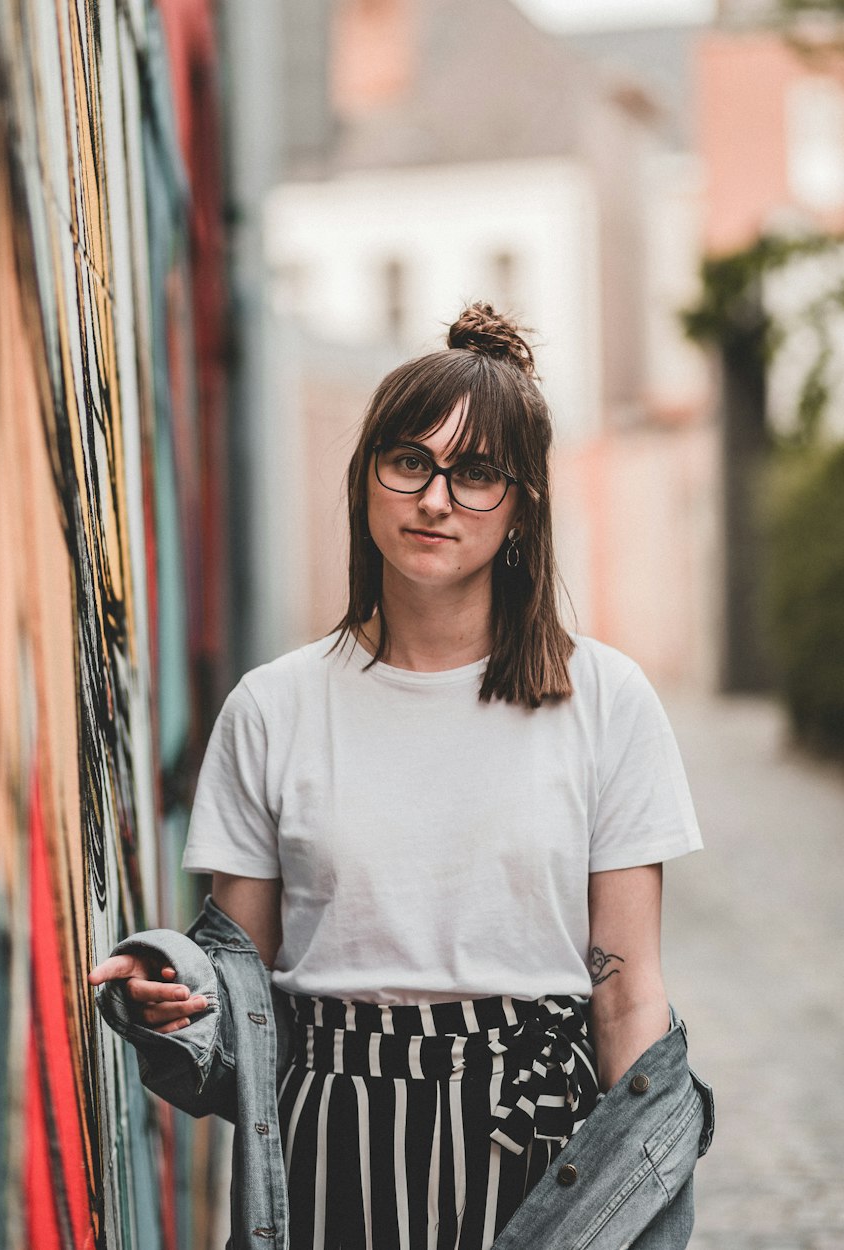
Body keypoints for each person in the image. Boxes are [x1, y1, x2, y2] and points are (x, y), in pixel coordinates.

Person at [89, 303, 706, 1249]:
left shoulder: (607, 701)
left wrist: (643, 1197)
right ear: (367, 477)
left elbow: (626, 994)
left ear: (523, 505)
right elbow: (239, 988)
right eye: (410, 461)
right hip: (329, 1141)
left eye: (478, 474)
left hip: (540, 1145)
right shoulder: (273, 708)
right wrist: (170, 992)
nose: (435, 499)